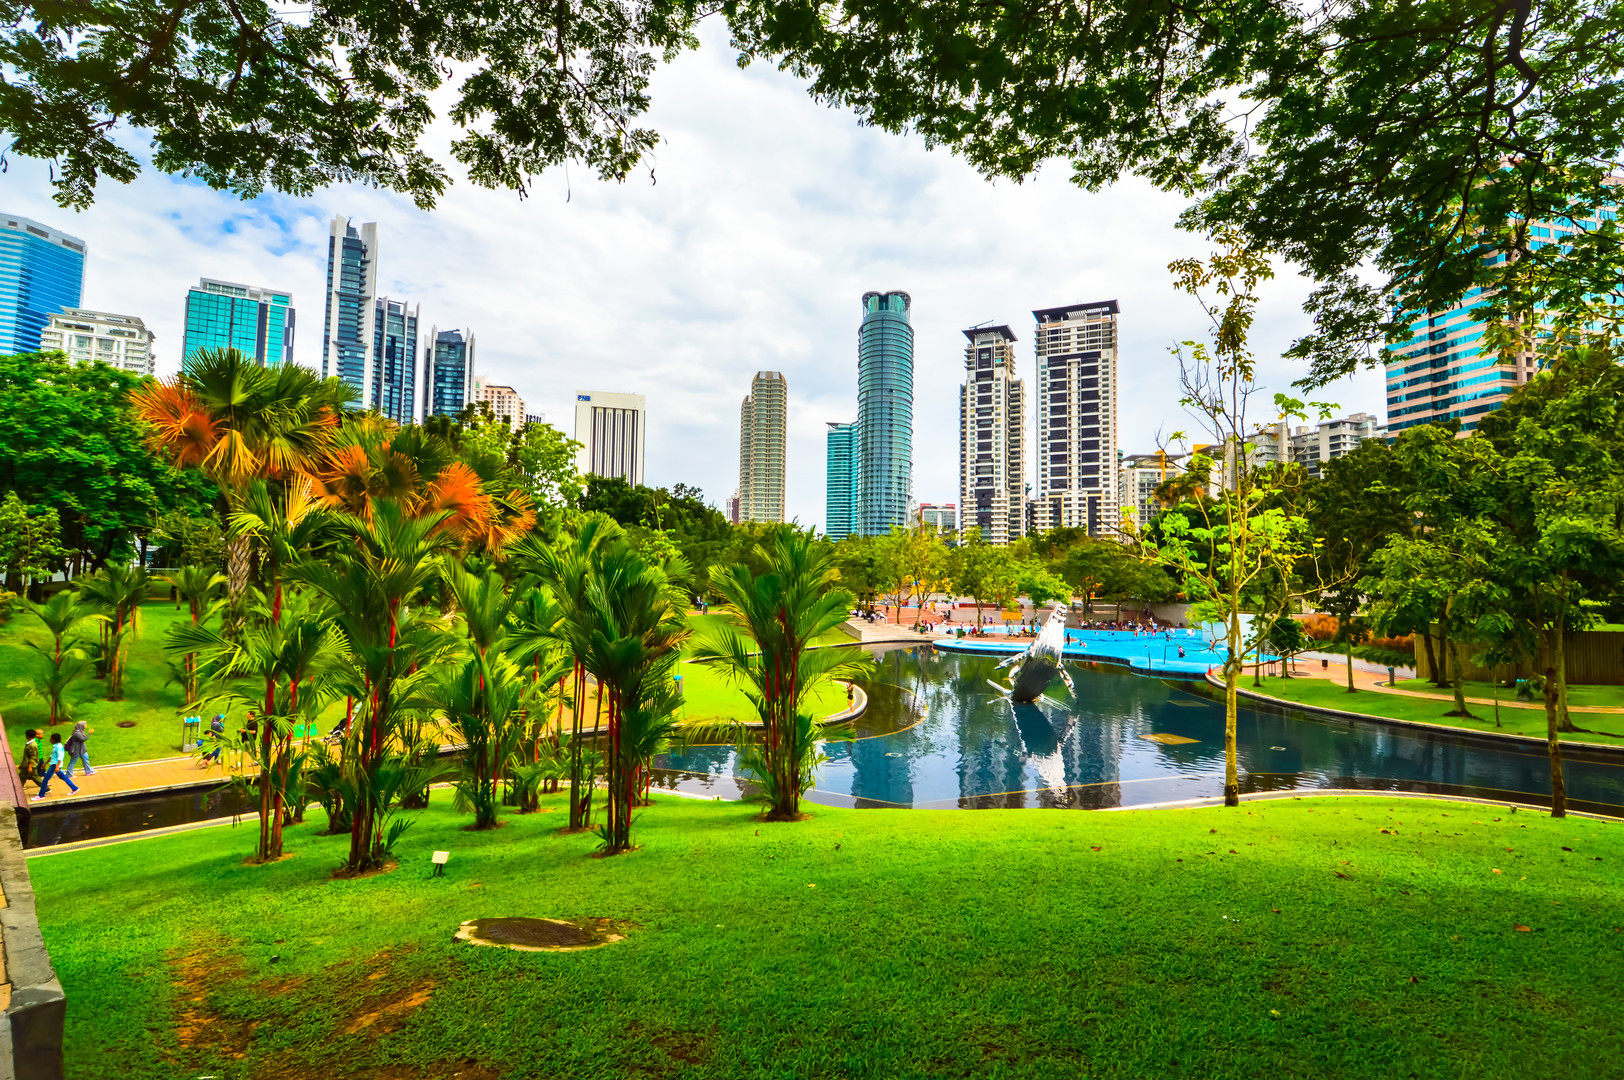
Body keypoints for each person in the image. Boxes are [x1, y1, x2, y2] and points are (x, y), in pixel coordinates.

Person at [33, 733, 79, 800]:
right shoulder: (56, 746)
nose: (50, 740)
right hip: (54, 765)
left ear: (54, 740)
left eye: (51, 738)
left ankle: (41, 795)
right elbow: (53, 756)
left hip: (54, 765)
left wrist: (57, 766)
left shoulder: (58, 747)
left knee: (45, 779)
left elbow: (60, 757)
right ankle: (75, 788)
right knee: (63, 777)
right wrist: (45, 763)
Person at [18, 729, 43, 794]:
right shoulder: (30, 744)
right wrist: (21, 764)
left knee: (22, 776)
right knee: (30, 777)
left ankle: (17, 789)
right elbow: (26, 756)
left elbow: (33, 756)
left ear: (27, 736)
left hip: (29, 765)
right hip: (26, 764)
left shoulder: (32, 745)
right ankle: (45, 788)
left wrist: (30, 767)